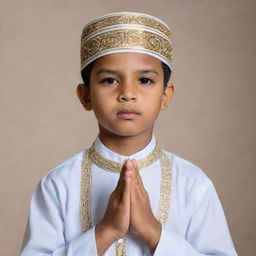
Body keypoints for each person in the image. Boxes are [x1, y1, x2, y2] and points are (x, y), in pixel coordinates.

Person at [20, 12, 238, 256]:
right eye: (110, 80)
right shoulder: (58, 184)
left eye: (144, 80)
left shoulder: (193, 184)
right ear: (86, 96)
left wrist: (153, 231)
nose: (127, 93)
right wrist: (105, 231)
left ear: (166, 95)